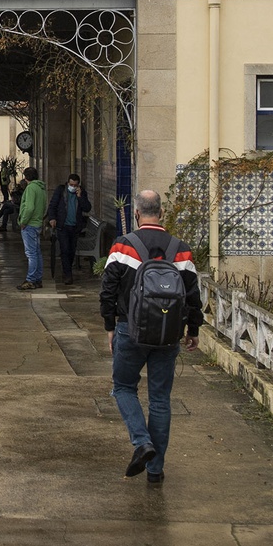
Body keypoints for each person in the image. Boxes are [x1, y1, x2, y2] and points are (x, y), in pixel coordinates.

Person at [97, 188, 203, 485]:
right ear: (162, 213)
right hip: (168, 336)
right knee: (160, 399)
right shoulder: (180, 249)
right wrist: (192, 330)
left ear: (136, 213)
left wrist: (109, 327)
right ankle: (155, 471)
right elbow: (193, 296)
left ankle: (141, 442)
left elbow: (107, 290)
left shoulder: (123, 246)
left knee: (123, 388)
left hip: (129, 330)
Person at [52, 173, 92, 285]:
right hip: (63, 226)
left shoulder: (82, 193)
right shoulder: (61, 191)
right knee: (64, 250)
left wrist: (80, 197)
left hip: (75, 227)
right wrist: (52, 218)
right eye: (71, 184)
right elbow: (53, 205)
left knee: (71, 250)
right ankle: (68, 274)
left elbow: (87, 208)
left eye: (75, 185)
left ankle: (67, 269)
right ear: (67, 183)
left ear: (78, 185)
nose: (72, 187)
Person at [15, 166, 47, 290]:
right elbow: (43, 206)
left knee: (31, 253)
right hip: (37, 223)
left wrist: (23, 221)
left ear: (26, 177)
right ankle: (38, 278)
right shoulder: (41, 188)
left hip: (29, 224)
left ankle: (31, 279)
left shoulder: (30, 189)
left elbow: (29, 207)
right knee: (37, 252)